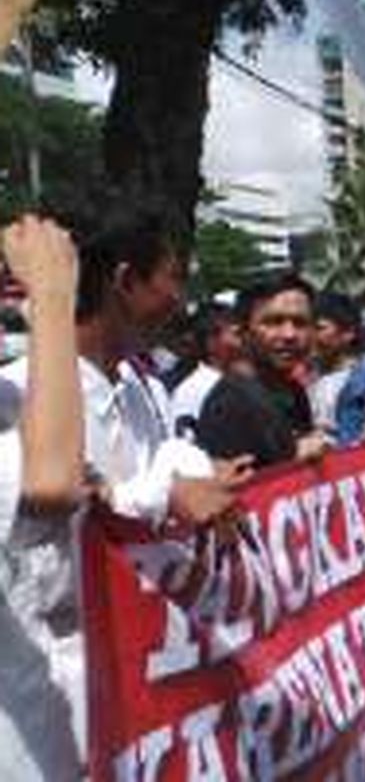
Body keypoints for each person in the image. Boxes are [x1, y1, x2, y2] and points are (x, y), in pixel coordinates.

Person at [0, 208, 244, 779]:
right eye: (173, 278)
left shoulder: (142, 392)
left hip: (142, 707)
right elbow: (48, 522)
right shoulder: (16, 397)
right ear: (126, 280)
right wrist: (158, 497)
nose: (182, 299)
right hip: (47, 734)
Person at [196, 274, 327, 469]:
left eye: (300, 323)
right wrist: (292, 458)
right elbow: (232, 490)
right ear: (242, 332)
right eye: (273, 322)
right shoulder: (230, 404)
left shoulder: (293, 392)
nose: (289, 335)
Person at [169, 303, 242, 439]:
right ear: (211, 341)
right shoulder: (194, 389)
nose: (243, 340)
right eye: (236, 334)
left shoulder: (237, 381)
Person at [310, 292, 363, 438]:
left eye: (319, 328)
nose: (309, 335)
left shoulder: (363, 381)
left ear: (348, 333)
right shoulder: (306, 377)